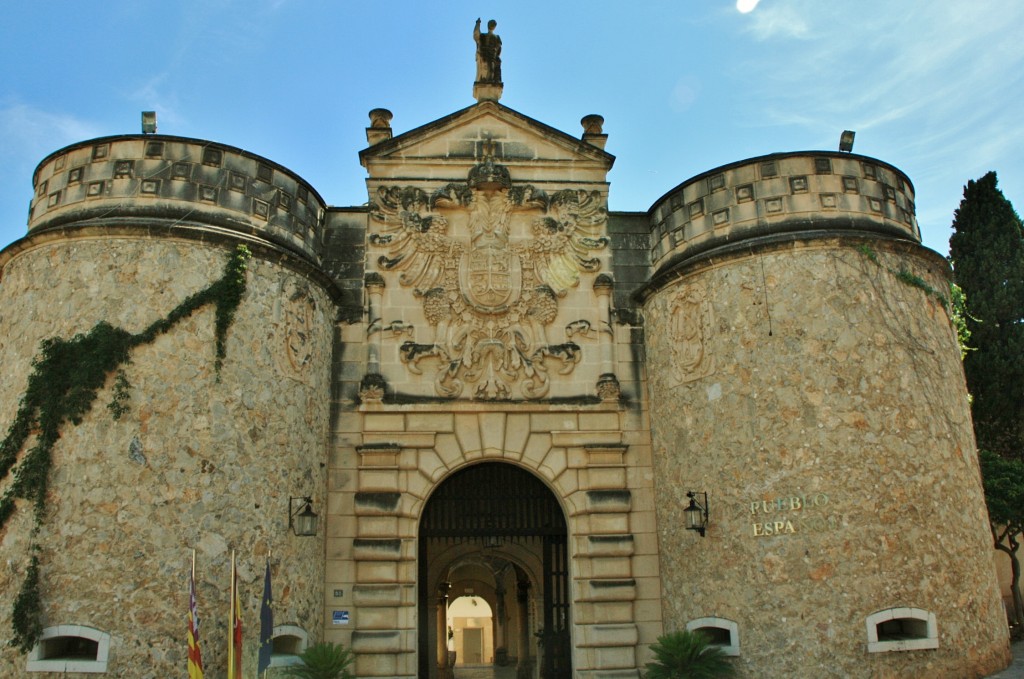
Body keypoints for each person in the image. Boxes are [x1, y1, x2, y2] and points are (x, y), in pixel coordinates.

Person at [473, 18, 502, 83]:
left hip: (491, 57)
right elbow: (476, 35)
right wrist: (478, 24)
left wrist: (478, 23)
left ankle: (490, 81)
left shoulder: (496, 37)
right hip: (485, 57)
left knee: (491, 71)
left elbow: (499, 49)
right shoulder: (483, 36)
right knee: (488, 71)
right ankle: (488, 81)